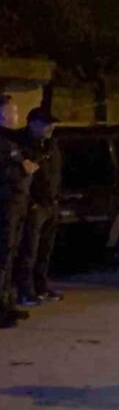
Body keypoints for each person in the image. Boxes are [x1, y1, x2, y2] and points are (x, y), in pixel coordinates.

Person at [14, 107, 63, 305]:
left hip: (51, 204)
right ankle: (25, 291)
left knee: (44, 250)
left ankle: (41, 286)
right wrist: (31, 203)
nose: (51, 127)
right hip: (33, 206)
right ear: (33, 123)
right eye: (46, 124)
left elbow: (56, 173)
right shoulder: (22, 144)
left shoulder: (51, 144)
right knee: (28, 251)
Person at [0, 96, 38, 328]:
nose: (17, 116)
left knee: (10, 255)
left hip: (17, 204)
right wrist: (21, 167)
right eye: (13, 112)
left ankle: (7, 303)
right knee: (2, 258)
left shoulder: (12, 140)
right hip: (5, 205)